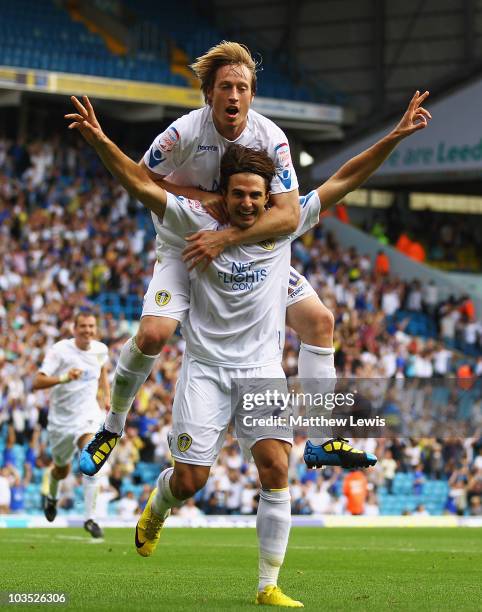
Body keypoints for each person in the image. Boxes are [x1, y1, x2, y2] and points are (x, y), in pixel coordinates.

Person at [65, 88, 430, 605]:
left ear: (266, 197)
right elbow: (135, 180)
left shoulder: (282, 229)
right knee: (190, 481)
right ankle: (159, 503)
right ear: (224, 195)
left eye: (256, 195)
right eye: (237, 194)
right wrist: (100, 139)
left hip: (261, 370)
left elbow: (345, 179)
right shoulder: (195, 224)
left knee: (276, 467)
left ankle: (268, 586)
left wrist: (393, 136)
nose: (247, 202)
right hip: (207, 370)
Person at [87, 41, 346, 471]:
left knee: (320, 321)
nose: (234, 95)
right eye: (225, 86)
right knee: (152, 335)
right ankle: (112, 427)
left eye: (242, 87)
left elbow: (287, 216)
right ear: (208, 93)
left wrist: (226, 238)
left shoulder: (271, 138)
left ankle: (319, 439)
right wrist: (197, 196)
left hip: (243, 247)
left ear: (252, 94)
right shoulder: (184, 132)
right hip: (185, 242)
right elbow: (140, 178)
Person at [32, 311, 110, 539]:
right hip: (60, 422)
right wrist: (65, 378)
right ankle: (52, 498)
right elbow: (37, 381)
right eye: (83, 326)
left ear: (96, 329)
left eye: (91, 326)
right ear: (74, 329)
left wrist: (107, 396)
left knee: (91, 459)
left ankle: (91, 518)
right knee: (61, 470)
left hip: (87, 416)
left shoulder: (100, 350)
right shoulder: (60, 351)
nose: (87, 330)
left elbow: (103, 371)